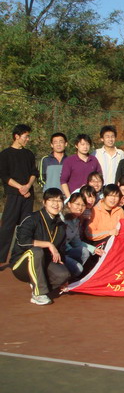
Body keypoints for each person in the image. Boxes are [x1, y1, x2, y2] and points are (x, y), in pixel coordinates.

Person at [10, 188, 71, 305]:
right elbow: (22, 241)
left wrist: (64, 276)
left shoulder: (61, 226)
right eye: (52, 200)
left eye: (59, 200)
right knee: (36, 251)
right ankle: (38, 294)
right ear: (44, 202)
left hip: (43, 263)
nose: (56, 204)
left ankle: (37, 283)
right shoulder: (32, 218)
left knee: (63, 275)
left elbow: (61, 251)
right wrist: (48, 244)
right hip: (21, 264)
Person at [0, 124, 38, 264]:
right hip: (13, 195)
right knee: (7, 227)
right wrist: (20, 188)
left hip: (28, 196)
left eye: (28, 136)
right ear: (17, 136)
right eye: (25, 136)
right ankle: (1, 258)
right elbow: (4, 176)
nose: (28, 139)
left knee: (25, 228)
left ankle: (19, 258)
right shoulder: (5, 154)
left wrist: (27, 187)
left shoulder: (29, 154)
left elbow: (34, 173)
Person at [62, 192, 104, 277]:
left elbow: (76, 242)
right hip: (58, 252)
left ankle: (72, 277)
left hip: (67, 250)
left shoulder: (76, 221)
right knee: (79, 269)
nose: (80, 208)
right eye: (77, 204)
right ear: (69, 204)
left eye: (83, 205)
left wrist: (94, 249)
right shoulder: (62, 219)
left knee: (85, 252)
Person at [60, 134, 102, 198]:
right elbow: (63, 181)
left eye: (87, 144)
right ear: (76, 145)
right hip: (74, 197)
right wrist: (69, 198)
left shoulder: (94, 160)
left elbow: (99, 177)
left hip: (90, 198)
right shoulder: (69, 161)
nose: (85, 147)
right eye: (82, 144)